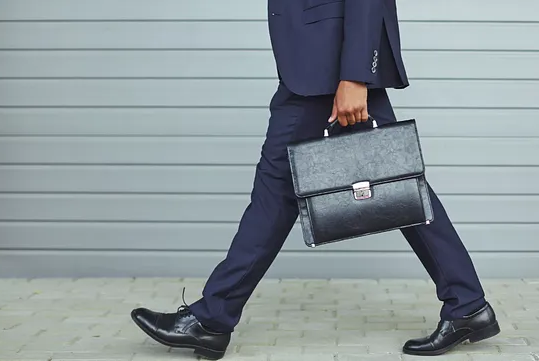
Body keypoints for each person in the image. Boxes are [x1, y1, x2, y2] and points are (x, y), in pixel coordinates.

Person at [130, 0, 500, 359]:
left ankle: (212, 318)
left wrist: (356, 75)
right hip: (317, 64)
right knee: (394, 181)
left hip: (330, 69)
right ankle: (467, 304)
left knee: (306, 188)